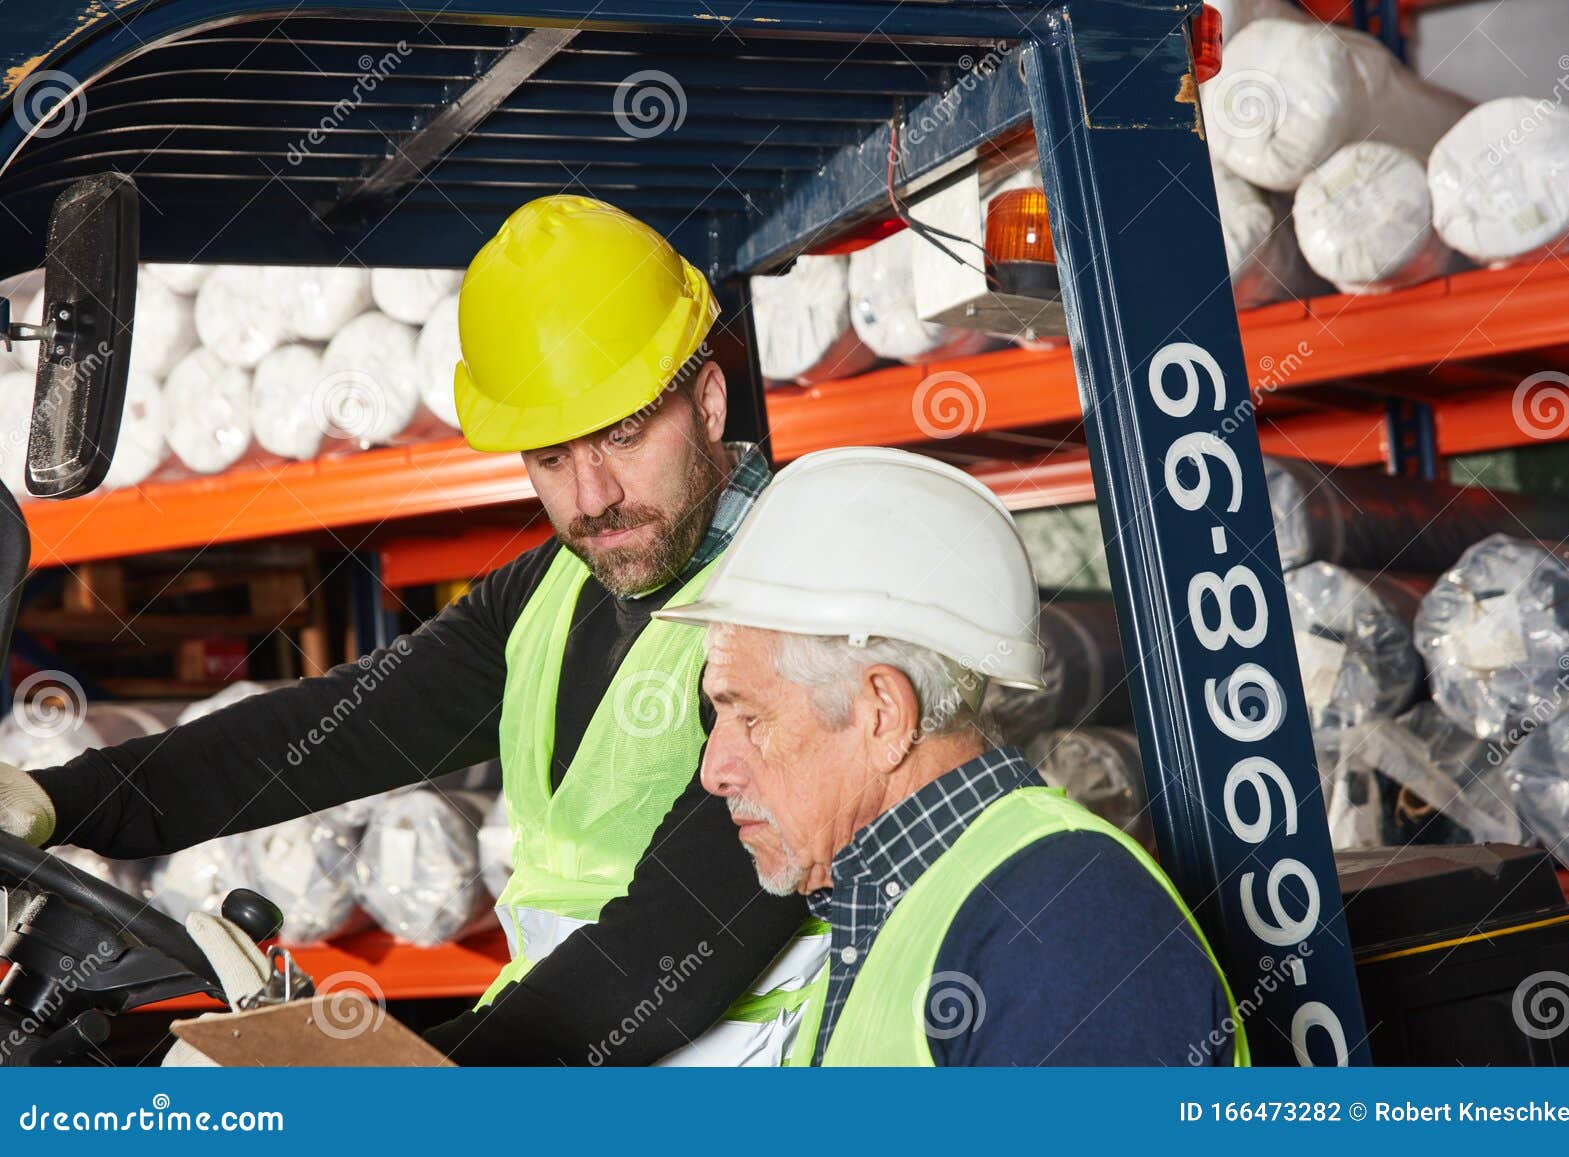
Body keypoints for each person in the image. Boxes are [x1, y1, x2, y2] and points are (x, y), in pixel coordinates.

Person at [0, 195, 826, 1066]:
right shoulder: (546, 593)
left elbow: (673, 943)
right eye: (550, 458)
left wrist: (399, 1084)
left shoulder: (804, 597)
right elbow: (319, 736)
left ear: (707, 401)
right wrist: (63, 800)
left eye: (621, 436)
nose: (591, 497)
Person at [657, 446, 1248, 1066]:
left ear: (882, 714)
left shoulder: (1063, 923)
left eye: (751, 718)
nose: (714, 770)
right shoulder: (888, 916)